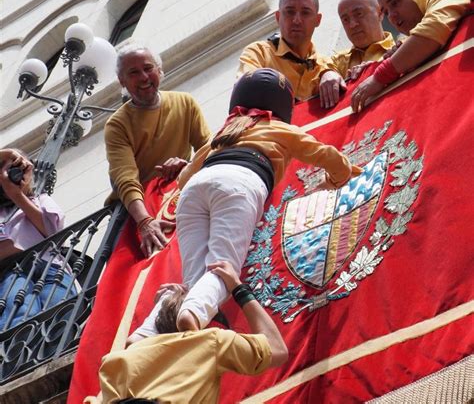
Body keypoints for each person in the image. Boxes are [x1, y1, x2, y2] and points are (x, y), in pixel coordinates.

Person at [128, 68, 361, 343]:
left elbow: (183, 178)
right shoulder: (278, 128)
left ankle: (147, 331)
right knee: (223, 270)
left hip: (194, 190)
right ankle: (193, 312)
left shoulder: (222, 135)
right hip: (241, 181)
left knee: (192, 279)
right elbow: (326, 155)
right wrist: (340, 178)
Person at [84, 261, 288, 404]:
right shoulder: (209, 342)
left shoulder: (114, 364)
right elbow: (277, 350)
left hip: (137, 349)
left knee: (135, 343)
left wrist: (161, 310)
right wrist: (238, 288)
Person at [104, 44, 211, 257]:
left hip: (177, 200)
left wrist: (188, 165)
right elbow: (125, 178)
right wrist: (144, 221)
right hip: (134, 213)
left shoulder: (184, 102)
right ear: (122, 81)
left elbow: (209, 149)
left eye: (148, 68)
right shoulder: (117, 125)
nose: (144, 77)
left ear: (159, 70)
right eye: (133, 72)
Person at [351, 0, 470, 112]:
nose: (392, 16)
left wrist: (379, 77)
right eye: (386, 12)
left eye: (395, 3)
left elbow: (431, 30)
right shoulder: (405, 42)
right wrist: (371, 68)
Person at [0, 149, 73, 330]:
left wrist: (17, 196)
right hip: (13, 270)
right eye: (8, 169)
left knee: (60, 313)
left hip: (51, 266)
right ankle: (19, 355)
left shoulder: (40, 200)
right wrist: (8, 152)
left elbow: (53, 232)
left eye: (20, 166)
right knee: (20, 316)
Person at [237, 0, 328, 101]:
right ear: (278, 17)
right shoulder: (259, 53)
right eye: (290, 12)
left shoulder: (327, 66)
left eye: (305, 13)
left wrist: (330, 73)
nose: (297, 20)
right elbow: (246, 92)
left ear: (318, 20)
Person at [319, 0, 395, 108]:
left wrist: (376, 69)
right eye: (345, 19)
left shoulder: (403, 49)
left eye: (359, 14)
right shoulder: (336, 63)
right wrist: (326, 74)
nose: (352, 24)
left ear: (380, 13)